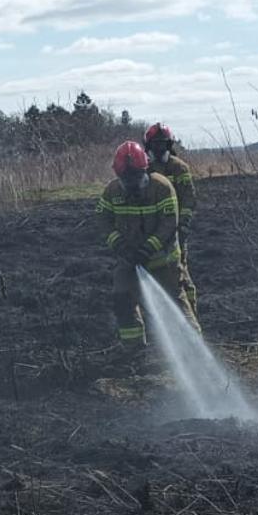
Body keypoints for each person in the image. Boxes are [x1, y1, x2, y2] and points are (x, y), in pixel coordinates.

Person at [98, 141, 198, 348]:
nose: (131, 183)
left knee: (175, 303)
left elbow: (169, 223)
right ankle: (134, 350)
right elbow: (102, 220)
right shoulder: (112, 192)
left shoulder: (162, 187)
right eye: (126, 179)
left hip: (163, 260)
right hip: (129, 261)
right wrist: (119, 245)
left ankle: (194, 348)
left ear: (145, 170)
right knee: (122, 297)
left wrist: (148, 248)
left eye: (135, 177)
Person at [143, 123, 198, 314]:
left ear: (169, 145)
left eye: (162, 144)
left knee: (180, 273)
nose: (159, 148)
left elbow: (189, 199)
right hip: (152, 230)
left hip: (175, 231)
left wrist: (182, 225)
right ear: (148, 145)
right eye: (155, 144)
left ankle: (190, 312)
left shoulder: (178, 168)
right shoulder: (144, 168)